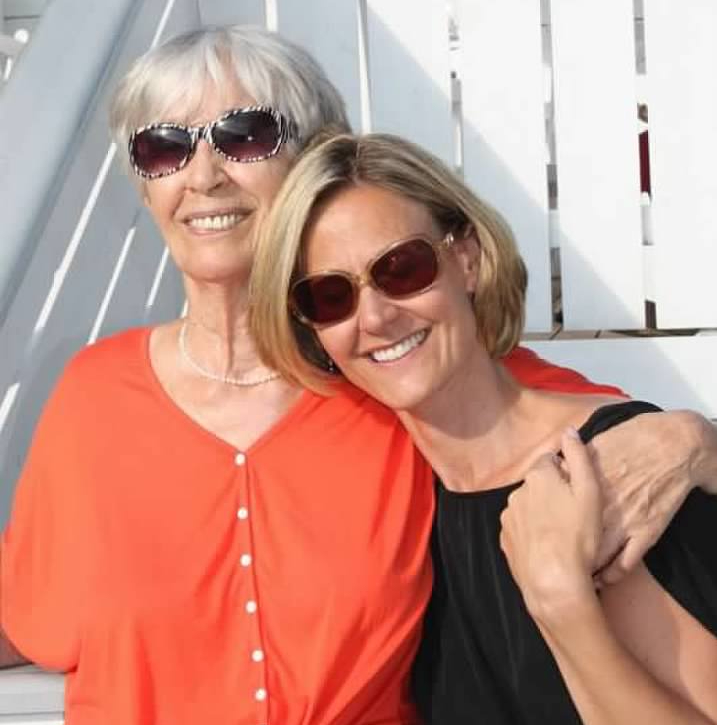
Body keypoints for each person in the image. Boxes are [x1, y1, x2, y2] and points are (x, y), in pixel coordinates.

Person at [0, 25, 714, 725]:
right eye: (163, 147)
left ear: (311, 160)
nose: (204, 175)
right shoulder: (94, 398)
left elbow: (575, 427)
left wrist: (689, 437)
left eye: (245, 136)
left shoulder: (397, 376)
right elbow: (30, 613)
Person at [248, 131, 717, 725]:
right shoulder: (396, 515)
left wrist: (563, 607)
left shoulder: (615, 471)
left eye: (402, 268)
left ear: (466, 259)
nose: (376, 317)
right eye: (330, 295)